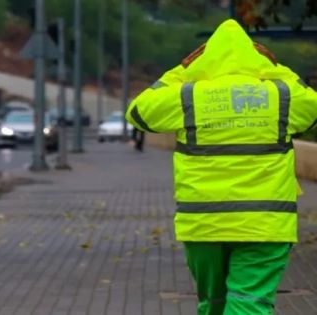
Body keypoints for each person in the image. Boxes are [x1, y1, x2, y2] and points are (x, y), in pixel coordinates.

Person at [126, 19, 317, 315]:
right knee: (249, 304)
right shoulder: (281, 94)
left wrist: (183, 70)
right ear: (256, 57)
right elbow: (313, 107)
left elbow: (139, 112)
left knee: (213, 305)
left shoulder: (188, 95)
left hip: (204, 225)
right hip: (265, 225)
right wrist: (273, 68)